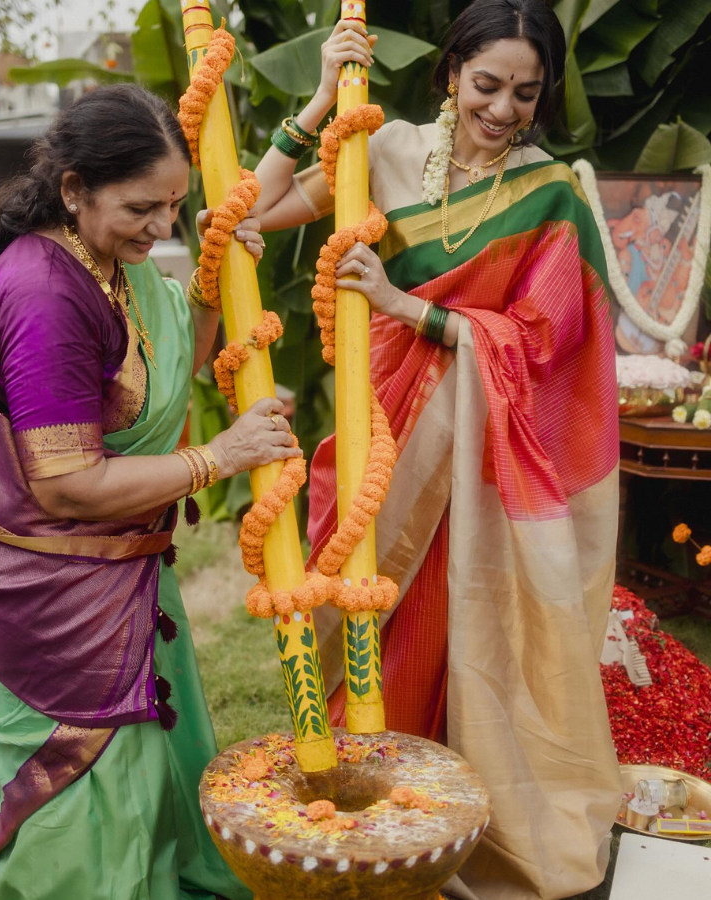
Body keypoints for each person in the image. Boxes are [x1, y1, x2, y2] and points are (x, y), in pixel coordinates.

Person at [240, 2, 620, 897]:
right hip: (376, 434)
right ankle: (349, 815)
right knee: (350, 610)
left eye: (526, 93)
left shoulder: (549, 190)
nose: (503, 108)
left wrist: (411, 307)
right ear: (451, 71)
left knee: (443, 637)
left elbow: (547, 340)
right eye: (487, 83)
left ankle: (434, 825)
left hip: (472, 465)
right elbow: (252, 210)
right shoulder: (387, 146)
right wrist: (325, 94)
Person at [0, 83, 285, 900]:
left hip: (111, 560)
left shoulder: (105, 260)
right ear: (75, 188)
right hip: (46, 576)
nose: (162, 230)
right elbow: (69, 485)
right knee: (81, 778)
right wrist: (219, 457)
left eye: (175, 208)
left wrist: (222, 272)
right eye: (142, 209)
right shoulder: (44, 293)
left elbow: (159, 378)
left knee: (137, 764)